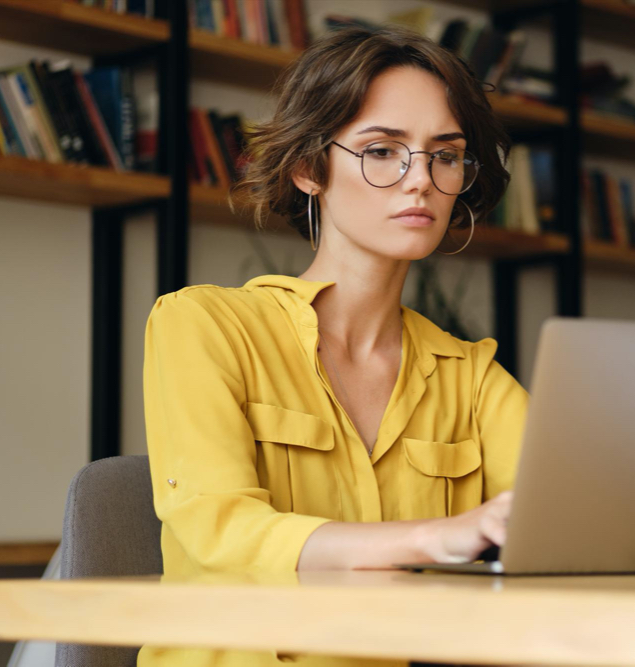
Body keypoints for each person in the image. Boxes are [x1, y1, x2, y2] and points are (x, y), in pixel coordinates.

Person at [138, 23, 529, 667]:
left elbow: (569, 522)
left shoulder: (473, 375)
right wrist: (441, 537)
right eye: (382, 150)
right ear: (308, 168)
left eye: (446, 154)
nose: (420, 180)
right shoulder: (203, 325)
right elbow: (223, 532)